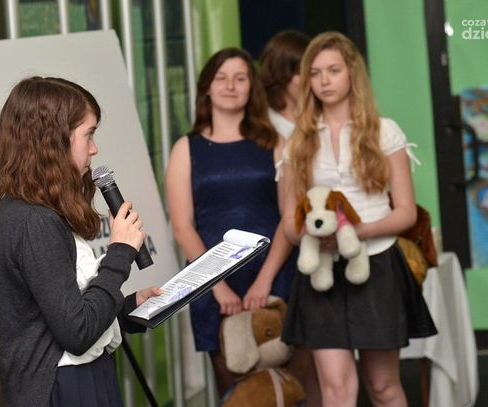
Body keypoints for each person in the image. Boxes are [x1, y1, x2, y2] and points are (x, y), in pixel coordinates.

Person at [280, 32, 437, 407]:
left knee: (382, 386)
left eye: (334, 70)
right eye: (315, 72)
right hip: (320, 270)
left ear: (352, 73)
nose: (324, 81)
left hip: (378, 264)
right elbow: (288, 220)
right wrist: (312, 237)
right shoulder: (297, 140)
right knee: (336, 389)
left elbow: (406, 212)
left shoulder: (384, 131)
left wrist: (358, 231)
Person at [0, 76, 161, 407]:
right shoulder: (33, 221)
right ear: (52, 140)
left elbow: (61, 313)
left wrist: (127, 308)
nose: (95, 149)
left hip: (79, 377)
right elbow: (77, 333)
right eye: (89, 134)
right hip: (62, 388)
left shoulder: (40, 210)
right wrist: (120, 253)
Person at [165, 48, 297, 397]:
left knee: (284, 390)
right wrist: (218, 287)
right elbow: (182, 227)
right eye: (221, 78)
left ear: (252, 88)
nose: (230, 86)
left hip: (273, 277)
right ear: (207, 87)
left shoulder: (274, 143)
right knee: (236, 394)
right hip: (214, 286)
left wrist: (265, 281)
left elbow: (289, 217)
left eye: (240, 78)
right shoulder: (186, 149)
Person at [260, 30, 322, 407]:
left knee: (321, 359)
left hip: (323, 245)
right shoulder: (263, 127)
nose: (314, 80)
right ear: (282, 74)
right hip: (283, 245)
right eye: (305, 71)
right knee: (289, 361)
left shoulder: (322, 118)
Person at [260, 29, 311, 140]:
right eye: (300, 72)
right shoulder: (261, 124)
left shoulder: (322, 118)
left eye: (313, 72)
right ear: (280, 74)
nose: (309, 80)